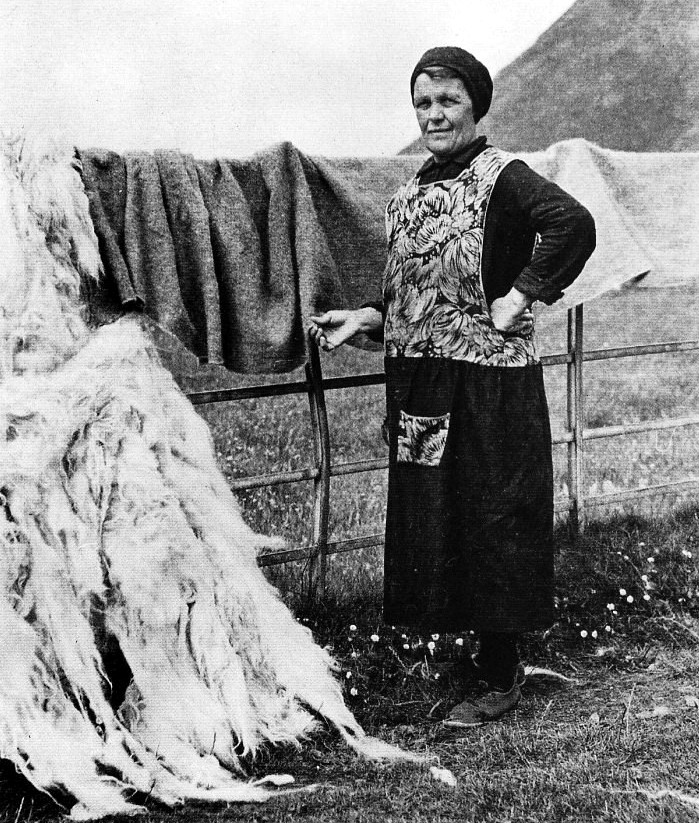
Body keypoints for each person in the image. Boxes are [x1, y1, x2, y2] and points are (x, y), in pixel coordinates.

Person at [309, 46, 596, 728]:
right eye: (423, 103)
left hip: (490, 385)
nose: (433, 114)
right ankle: (474, 654)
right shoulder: (408, 195)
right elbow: (414, 292)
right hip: (426, 382)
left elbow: (573, 224)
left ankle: (500, 673)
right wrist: (365, 318)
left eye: (446, 101)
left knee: (493, 513)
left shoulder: (505, 178)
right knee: (442, 516)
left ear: (475, 107)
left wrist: (521, 294)